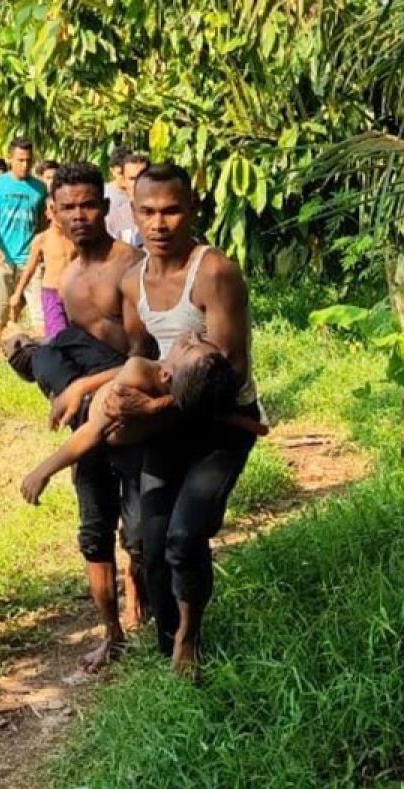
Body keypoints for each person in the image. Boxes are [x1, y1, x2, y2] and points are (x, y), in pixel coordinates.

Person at [105, 162, 262, 676]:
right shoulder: (133, 283)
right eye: (148, 211)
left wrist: (150, 408)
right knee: (151, 543)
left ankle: (190, 639)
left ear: (192, 210)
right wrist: (109, 396)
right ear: (132, 212)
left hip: (222, 423)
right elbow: (138, 353)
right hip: (170, 424)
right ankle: (167, 639)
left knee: (184, 534)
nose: (159, 223)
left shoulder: (214, 272)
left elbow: (227, 371)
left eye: (171, 210)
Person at [6, 162, 149, 669]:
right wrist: (71, 391)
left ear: (108, 207)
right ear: (55, 213)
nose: (80, 215)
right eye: (69, 207)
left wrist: (83, 388)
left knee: (139, 531)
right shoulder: (66, 279)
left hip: (133, 414)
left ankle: (142, 603)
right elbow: (74, 350)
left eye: (89, 204)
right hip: (89, 422)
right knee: (94, 531)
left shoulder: (131, 267)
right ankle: (111, 634)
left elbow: (142, 359)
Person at [22, 331, 263, 505]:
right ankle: (32, 348)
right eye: (199, 340)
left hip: (97, 420)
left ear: (166, 375)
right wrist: (82, 387)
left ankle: (27, 347)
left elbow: (92, 432)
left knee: (48, 355)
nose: (192, 336)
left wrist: (42, 471)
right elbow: (226, 416)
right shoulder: (186, 392)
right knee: (53, 351)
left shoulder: (151, 379)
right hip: (97, 396)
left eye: (191, 346)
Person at [0, 137, 47, 346]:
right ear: (11, 158)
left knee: (39, 310)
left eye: (28, 160)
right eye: (20, 160)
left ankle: (38, 349)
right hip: (4, 257)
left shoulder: (40, 188)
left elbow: (43, 222)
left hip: (30, 258)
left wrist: (39, 249)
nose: (25, 165)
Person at [9, 198, 76, 339]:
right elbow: (29, 269)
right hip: (52, 292)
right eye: (53, 210)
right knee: (57, 336)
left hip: (72, 293)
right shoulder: (42, 239)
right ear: (48, 214)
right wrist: (17, 293)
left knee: (75, 334)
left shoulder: (74, 237)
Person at [117, 151, 150, 246]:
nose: (137, 183)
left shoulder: (163, 215)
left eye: (142, 177)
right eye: (132, 179)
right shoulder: (113, 218)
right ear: (123, 181)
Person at [103, 144, 133, 240]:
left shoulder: (141, 193)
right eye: (120, 173)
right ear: (112, 171)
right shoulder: (104, 193)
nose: (124, 177)